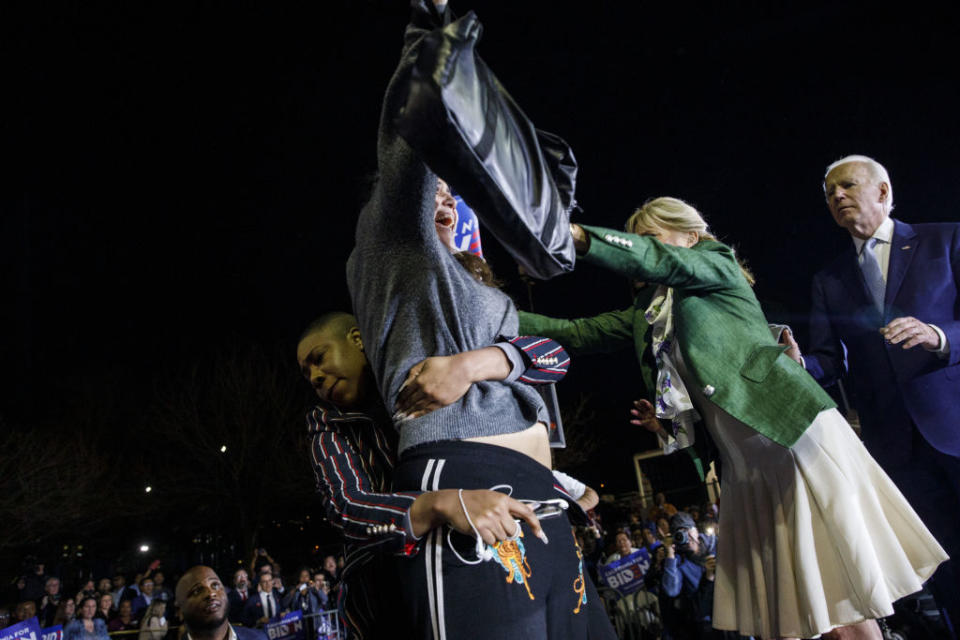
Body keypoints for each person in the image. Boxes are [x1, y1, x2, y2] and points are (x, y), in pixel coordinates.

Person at [518, 196, 948, 639]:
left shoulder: (715, 263)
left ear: (690, 235)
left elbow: (661, 262)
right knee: (805, 609)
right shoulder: (647, 312)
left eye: (649, 238)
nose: (639, 250)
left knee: (841, 596)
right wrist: (493, 310)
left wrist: (577, 236)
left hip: (789, 436)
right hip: (745, 465)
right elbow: (576, 332)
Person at [298, 311, 571, 638]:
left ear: (357, 339)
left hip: (499, 562)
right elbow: (348, 506)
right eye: (306, 373)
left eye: (319, 358)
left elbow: (554, 356)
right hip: (393, 600)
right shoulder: (326, 423)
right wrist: (444, 504)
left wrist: (468, 366)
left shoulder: (428, 359)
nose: (314, 376)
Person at [789, 154, 960, 635]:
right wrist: (801, 364)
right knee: (943, 566)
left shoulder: (945, 240)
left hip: (954, 425)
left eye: (847, 186)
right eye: (829, 193)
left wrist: (939, 335)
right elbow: (829, 360)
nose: (836, 196)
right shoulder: (830, 279)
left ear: (882, 191)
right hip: (897, 449)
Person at [175, 566, 265, 640]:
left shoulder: (259, 638)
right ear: (180, 610)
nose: (211, 593)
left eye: (215, 585)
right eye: (197, 591)